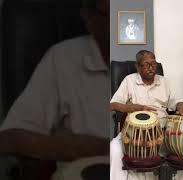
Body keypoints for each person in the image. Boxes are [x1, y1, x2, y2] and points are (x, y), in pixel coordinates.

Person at [0, 0, 110, 179]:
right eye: (114, 14)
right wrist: (96, 147)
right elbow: (10, 138)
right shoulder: (62, 59)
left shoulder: (158, 52)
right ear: (88, 16)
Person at [110, 50, 183, 180]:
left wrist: (181, 109)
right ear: (137, 66)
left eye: (154, 64)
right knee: (114, 148)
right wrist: (136, 108)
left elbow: (178, 101)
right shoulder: (129, 81)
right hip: (135, 133)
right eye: (146, 65)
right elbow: (113, 104)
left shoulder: (164, 82)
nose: (151, 68)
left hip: (164, 132)